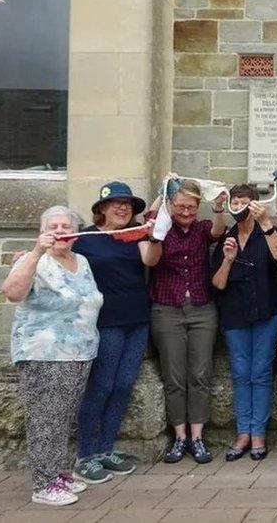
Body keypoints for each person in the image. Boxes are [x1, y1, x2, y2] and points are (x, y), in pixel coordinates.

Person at [2, 206, 104, 506]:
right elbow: (12, 293)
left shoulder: (81, 261)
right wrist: (34, 253)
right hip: (44, 354)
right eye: (54, 226)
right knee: (46, 419)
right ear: (43, 231)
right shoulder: (31, 260)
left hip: (79, 353)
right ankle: (43, 484)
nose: (60, 231)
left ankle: (55, 471)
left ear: (75, 233)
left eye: (66, 226)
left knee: (63, 418)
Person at [72, 182, 160, 484]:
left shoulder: (133, 236)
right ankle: (85, 455)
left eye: (128, 205)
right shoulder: (84, 238)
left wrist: (154, 232)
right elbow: (55, 255)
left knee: (123, 386)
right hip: (105, 322)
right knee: (102, 386)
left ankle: (105, 449)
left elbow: (151, 259)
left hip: (137, 320)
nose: (123, 209)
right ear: (102, 209)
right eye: (116, 204)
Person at [148, 179, 227, 464]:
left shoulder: (201, 228)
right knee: (174, 377)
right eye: (181, 206)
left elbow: (218, 231)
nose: (186, 212)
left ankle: (197, 437)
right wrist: (163, 192)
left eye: (192, 207)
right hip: (167, 309)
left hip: (202, 309)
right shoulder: (160, 228)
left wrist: (218, 207)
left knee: (200, 375)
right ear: (171, 205)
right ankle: (179, 437)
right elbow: (150, 257)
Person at [212, 185, 277, 461]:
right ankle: (242, 432)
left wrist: (267, 223)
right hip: (235, 312)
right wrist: (228, 261)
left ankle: (258, 434)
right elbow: (218, 283)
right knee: (241, 373)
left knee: (261, 371)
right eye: (236, 202)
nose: (240, 206)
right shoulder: (227, 238)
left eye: (245, 202)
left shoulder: (264, 231)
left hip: (266, 310)